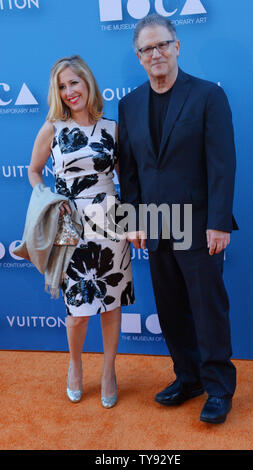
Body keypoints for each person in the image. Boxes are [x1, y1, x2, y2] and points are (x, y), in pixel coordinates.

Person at [118, 14, 238, 424]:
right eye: (147, 49)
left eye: (162, 44)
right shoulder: (129, 104)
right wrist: (130, 219)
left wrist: (219, 222)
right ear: (138, 57)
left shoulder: (207, 96)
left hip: (199, 221)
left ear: (177, 46)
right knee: (170, 309)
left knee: (207, 307)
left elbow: (222, 163)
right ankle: (188, 378)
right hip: (153, 221)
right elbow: (128, 170)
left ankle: (219, 387)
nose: (156, 54)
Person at [28, 55, 134, 408]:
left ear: (87, 82)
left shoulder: (112, 128)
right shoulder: (52, 129)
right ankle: (75, 364)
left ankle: (108, 370)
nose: (69, 91)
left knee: (112, 304)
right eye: (62, 86)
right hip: (70, 221)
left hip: (110, 218)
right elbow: (33, 171)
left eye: (74, 82)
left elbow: (126, 178)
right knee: (77, 310)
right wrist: (50, 199)